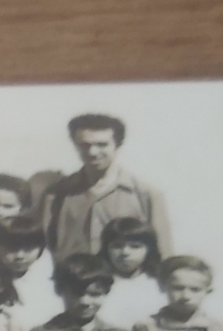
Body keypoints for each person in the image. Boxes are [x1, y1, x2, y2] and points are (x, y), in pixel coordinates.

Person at [43, 113, 172, 264]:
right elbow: (46, 246)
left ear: (117, 144)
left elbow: (163, 253)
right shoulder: (57, 194)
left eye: (102, 145)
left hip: (124, 283)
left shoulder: (146, 195)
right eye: (85, 145)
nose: (92, 152)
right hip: (73, 283)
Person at [0, 217, 59, 331]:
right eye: (11, 248)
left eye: (28, 249)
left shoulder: (50, 279)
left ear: (41, 249)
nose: (20, 256)